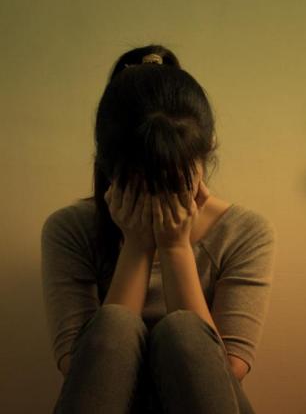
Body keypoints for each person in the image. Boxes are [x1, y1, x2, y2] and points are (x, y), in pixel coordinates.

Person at [40, 44, 277, 413]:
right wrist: (137, 245)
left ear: (205, 153)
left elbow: (228, 372)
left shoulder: (244, 231)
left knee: (183, 330)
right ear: (107, 165)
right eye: (142, 179)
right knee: (115, 323)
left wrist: (175, 247)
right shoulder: (70, 229)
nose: (159, 190)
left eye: (173, 175)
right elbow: (81, 371)